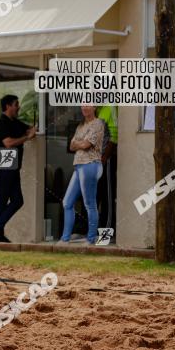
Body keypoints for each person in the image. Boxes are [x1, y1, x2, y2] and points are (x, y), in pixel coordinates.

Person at [0, 95, 36, 243]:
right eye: (16, 104)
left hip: (12, 163)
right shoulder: (1, 123)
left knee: (17, 200)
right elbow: (8, 143)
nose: (18, 107)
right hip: (4, 159)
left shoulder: (14, 122)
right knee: (2, 199)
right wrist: (27, 138)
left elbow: (30, 128)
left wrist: (31, 130)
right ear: (8, 106)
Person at [58, 105, 105, 245]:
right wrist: (80, 143)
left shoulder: (98, 123)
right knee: (67, 202)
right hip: (78, 166)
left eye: (88, 103)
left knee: (89, 204)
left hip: (90, 165)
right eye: (83, 104)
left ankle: (90, 239)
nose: (84, 107)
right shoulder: (81, 125)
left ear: (94, 106)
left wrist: (79, 143)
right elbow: (71, 146)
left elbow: (85, 145)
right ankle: (65, 239)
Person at [96, 105, 118, 231]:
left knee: (107, 196)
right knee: (96, 195)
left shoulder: (110, 108)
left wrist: (104, 158)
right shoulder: (95, 110)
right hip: (94, 161)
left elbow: (115, 136)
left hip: (107, 160)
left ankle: (106, 233)